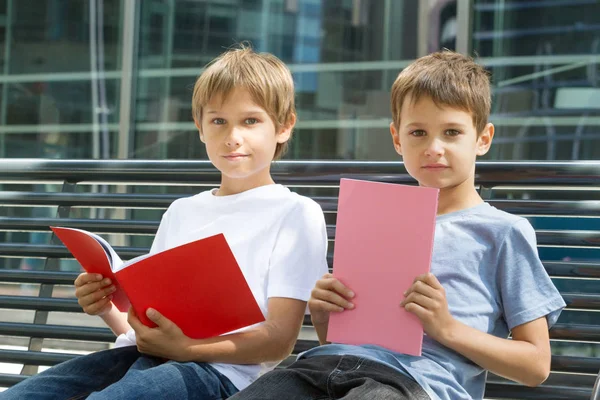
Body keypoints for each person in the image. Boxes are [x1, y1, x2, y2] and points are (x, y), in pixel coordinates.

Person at [229, 51, 566, 400]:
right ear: (397, 138)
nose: (434, 148)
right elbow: (342, 341)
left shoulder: (503, 232)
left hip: (412, 383)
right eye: (418, 132)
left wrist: (446, 327)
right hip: (322, 366)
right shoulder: (374, 220)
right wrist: (324, 314)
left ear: (482, 138)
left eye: (452, 132)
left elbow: (536, 365)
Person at [1, 45, 329, 400]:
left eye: (250, 121)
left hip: (218, 375)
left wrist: (188, 349)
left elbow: (279, 340)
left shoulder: (295, 213)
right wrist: (106, 305)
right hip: (136, 358)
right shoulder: (181, 211)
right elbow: (147, 325)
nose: (233, 136)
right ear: (199, 127)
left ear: (284, 127)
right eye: (218, 120)